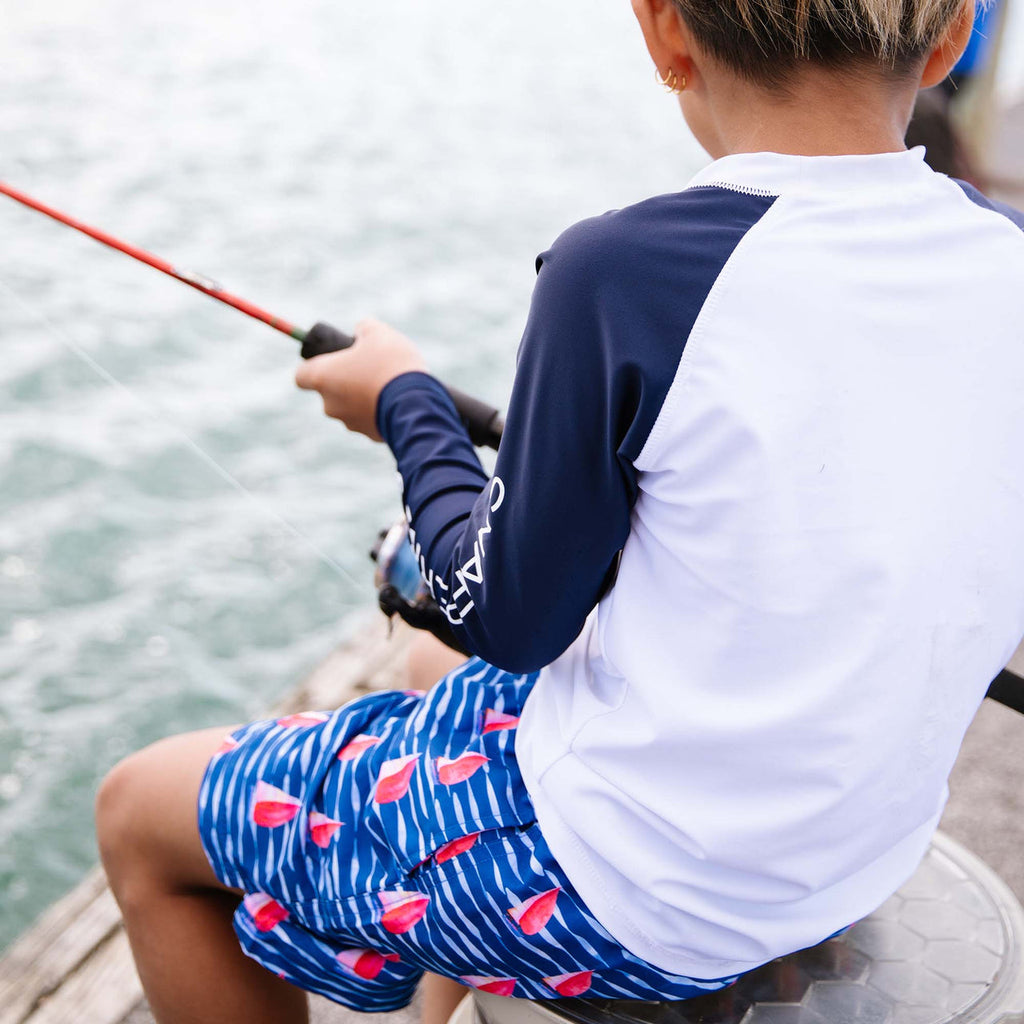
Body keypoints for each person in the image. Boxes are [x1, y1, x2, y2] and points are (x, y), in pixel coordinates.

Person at [95, 1, 1024, 1022]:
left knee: (141, 811)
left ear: (665, 32)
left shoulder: (622, 272)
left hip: (637, 900)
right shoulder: (1004, 256)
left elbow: (505, 613)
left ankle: (476, 941)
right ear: (946, 41)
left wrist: (405, 401)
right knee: (428, 667)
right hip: (844, 856)